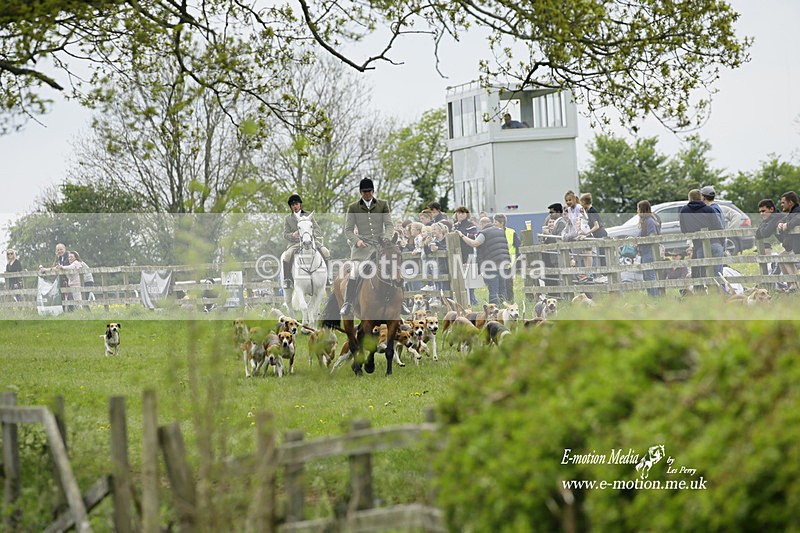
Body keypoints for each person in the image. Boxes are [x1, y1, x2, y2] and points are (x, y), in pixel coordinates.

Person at [339, 178, 394, 316]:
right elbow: (348, 230)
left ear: (373, 191)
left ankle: (400, 302)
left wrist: (387, 237)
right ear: (360, 193)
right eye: (364, 192)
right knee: (355, 272)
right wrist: (357, 241)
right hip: (362, 249)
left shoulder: (382, 205)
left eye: (369, 191)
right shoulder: (353, 207)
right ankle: (348, 302)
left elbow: (389, 225)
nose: (367, 194)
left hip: (380, 246)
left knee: (393, 268)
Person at [281, 193, 332, 289]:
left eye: (296, 204)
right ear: (290, 206)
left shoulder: (308, 215)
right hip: (295, 243)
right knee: (287, 255)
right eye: (292, 205)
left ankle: (328, 277)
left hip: (311, 241)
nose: (295, 206)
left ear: (300, 204)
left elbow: (317, 229)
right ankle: (287, 279)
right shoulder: (288, 219)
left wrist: (309, 234)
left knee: (326, 252)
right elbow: (285, 234)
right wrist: (292, 235)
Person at [458, 216, 511, 305]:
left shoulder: (484, 233)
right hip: (503, 263)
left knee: (493, 290)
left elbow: (475, 243)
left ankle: (493, 309)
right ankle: (504, 308)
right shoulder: (501, 231)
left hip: (491, 265)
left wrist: (462, 236)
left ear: (481, 224)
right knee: (502, 289)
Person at [680, 189, 723, 288]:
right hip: (715, 243)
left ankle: (704, 294)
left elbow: (684, 229)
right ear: (701, 198)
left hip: (699, 245)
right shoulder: (709, 209)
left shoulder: (684, 210)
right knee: (718, 274)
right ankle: (719, 294)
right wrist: (721, 243)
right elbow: (718, 228)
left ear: (689, 198)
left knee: (702, 275)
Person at [453, 206, 480, 305]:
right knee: (461, 279)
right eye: (458, 213)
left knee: (470, 279)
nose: (460, 215)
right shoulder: (455, 226)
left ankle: (472, 301)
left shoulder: (470, 225)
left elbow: (474, 237)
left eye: (463, 213)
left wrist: (462, 234)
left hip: (469, 255)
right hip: (457, 255)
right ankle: (465, 300)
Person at [776, 191, 800, 292]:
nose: (781, 205)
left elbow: (798, 219)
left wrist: (788, 225)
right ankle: (790, 285)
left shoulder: (797, 211)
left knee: (786, 257)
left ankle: (795, 284)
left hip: (797, 248)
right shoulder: (792, 212)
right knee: (781, 256)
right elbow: (782, 220)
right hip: (794, 247)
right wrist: (781, 224)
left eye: (783, 202)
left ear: (790, 203)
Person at [494, 213, 520, 302]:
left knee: (508, 284)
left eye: (495, 222)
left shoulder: (511, 232)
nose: (494, 223)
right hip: (497, 262)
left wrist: (516, 259)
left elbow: (518, 246)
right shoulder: (493, 232)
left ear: (502, 223)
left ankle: (510, 301)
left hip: (509, 263)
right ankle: (501, 301)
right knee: (499, 284)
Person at [638, 200, 661, 297]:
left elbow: (652, 236)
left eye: (638, 209)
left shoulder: (650, 221)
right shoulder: (646, 221)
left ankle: (655, 298)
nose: (637, 211)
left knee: (650, 276)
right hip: (645, 252)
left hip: (649, 252)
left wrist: (640, 241)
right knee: (647, 276)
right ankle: (652, 297)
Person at [700, 185, 725, 276]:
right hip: (718, 243)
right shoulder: (718, 208)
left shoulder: (711, 209)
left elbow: (718, 227)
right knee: (718, 273)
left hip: (712, 243)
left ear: (703, 197)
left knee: (711, 274)